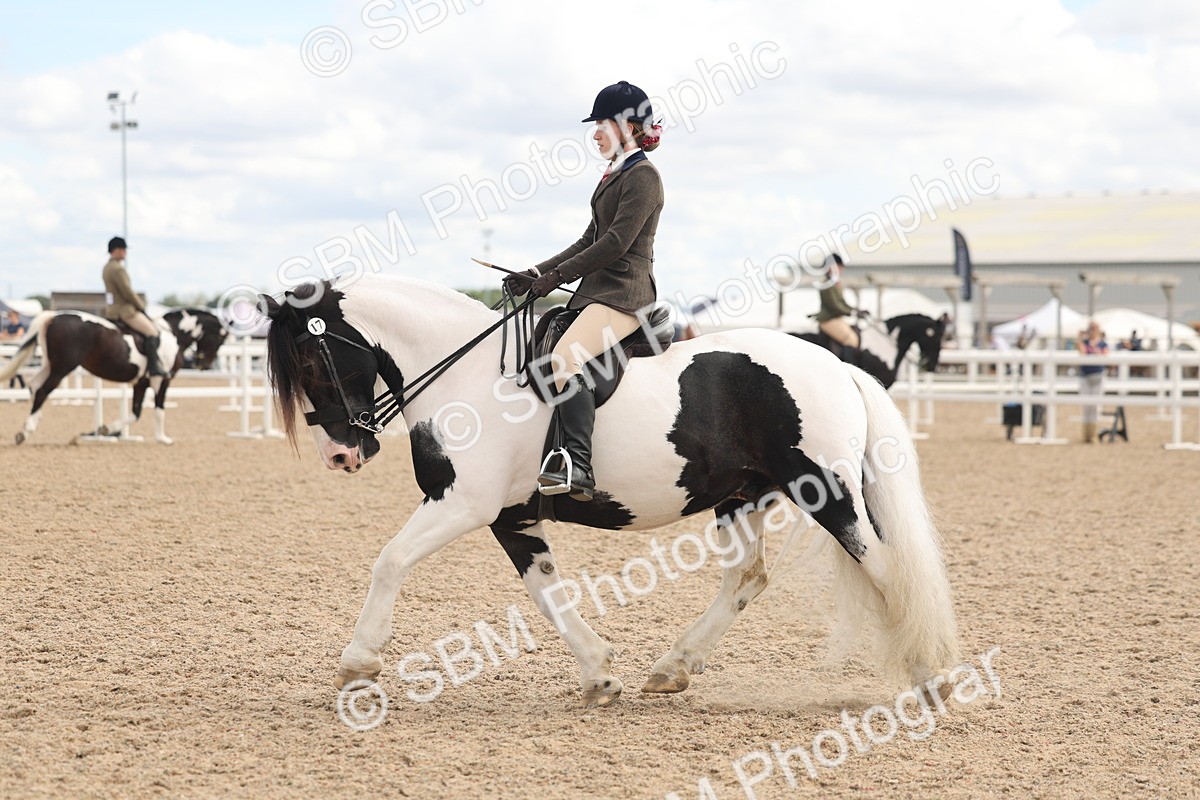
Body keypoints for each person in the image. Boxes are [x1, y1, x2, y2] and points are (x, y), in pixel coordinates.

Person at [503, 80, 664, 501]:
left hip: (625, 294)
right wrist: (535, 272)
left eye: (602, 125)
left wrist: (555, 280)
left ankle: (578, 465)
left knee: (564, 358)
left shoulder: (644, 177)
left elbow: (614, 245)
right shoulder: (615, 175)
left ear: (628, 126)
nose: (594, 134)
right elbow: (588, 240)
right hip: (597, 292)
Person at [102, 237, 166, 376]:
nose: (125, 253)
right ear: (117, 250)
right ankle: (153, 367)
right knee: (153, 332)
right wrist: (140, 305)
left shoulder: (107, 267)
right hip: (124, 311)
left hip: (111, 310)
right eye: (124, 250)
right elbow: (127, 292)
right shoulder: (118, 269)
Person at [814, 254, 860, 350]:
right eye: (838, 267)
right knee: (851, 340)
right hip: (828, 320)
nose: (840, 270)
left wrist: (856, 310)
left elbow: (842, 302)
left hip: (836, 318)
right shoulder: (826, 284)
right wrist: (852, 312)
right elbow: (834, 305)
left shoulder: (836, 283)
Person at [1078, 321, 1108, 443]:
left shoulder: (1103, 343)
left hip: (1098, 376)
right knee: (1086, 406)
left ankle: (1093, 434)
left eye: (1094, 328)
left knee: (1096, 406)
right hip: (1085, 376)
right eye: (1091, 328)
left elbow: (1105, 355)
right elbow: (1082, 352)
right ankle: (1086, 434)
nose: (1092, 331)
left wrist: (1095, 349)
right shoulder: (1084, 343)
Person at [2, 309, 27, 389]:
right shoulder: (9, 326)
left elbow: (19, 335)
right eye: (10, 317)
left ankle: (14, 388)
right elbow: (2, 335)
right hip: (10, 351)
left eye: (12, 317)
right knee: (14, 370)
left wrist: (8, 337)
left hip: (18, 351)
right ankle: (21, 387)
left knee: (15, 370)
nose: (11, 318)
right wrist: (9, 337)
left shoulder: (20, 326)